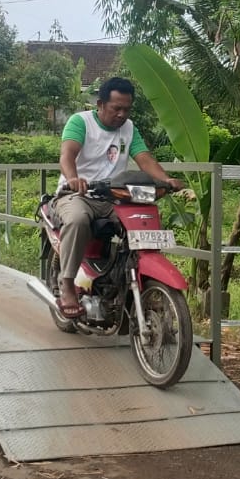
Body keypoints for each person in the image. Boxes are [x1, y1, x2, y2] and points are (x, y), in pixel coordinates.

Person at [53, 77, 184, 318]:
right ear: (101, 104)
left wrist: (166, 180)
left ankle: (135, 280)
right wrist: (73, 178)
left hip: (115, 197)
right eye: (116, 108)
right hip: (78, 194)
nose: (122, 114)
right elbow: (67, 155)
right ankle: (68, 283)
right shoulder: (80, 122)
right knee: (78, 220)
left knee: (144, 218)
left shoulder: (129, 128)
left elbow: (144, 158)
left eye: (127, 109)